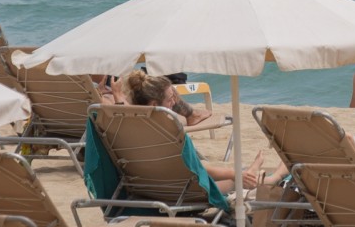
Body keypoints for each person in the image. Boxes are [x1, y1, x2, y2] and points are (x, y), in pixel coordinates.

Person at [121, 70, 282, 190]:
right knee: (236, 181)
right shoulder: (167, 133)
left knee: (237, 176)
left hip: (148, 189)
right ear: (154, 105)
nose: (174, 103)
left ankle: (249, 173)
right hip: (180, 192)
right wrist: (235, 174)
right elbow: (196, 169)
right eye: (170, 100)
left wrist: (116, 94)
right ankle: (275, 177)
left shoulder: (129, 128)